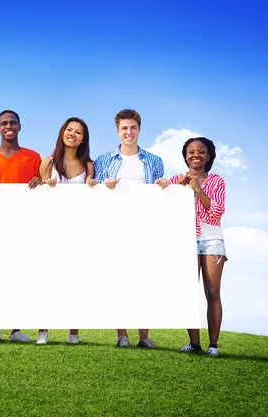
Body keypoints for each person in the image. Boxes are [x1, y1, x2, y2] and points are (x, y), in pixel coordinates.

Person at [94, 109, 164, 349]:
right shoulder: (103, 160)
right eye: (124, 128)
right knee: (119, 280)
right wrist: (105, 186)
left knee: (145, 280)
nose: (129, 132)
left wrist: (163, 185)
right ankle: (122, 335)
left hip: (144, 228)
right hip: (115, 227)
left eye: (133, 127)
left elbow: (160, 195)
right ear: (117, 131)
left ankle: (144, 336)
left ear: (139, 130)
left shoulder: (154, 161)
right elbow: (96, 192)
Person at [156, 137, 226, 356]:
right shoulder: (177, 179)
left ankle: (212, 345)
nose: (196, 155)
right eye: (191, 151)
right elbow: (162, 203)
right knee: (189, 291)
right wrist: (164, 186)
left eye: (201, 152)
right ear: (185, 155)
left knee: (212, 292)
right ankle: (194, 343)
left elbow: (217, 212)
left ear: (208, 156)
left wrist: (197, 188)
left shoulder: (216, 181)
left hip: (211, 238)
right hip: (185, 239)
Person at [0, 109, 42, 343]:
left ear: (20, 126)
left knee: (19, 275)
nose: (8, 126)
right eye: (3, 123)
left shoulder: (34, 157)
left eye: (12, 122)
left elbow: (43, 187)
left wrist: (40, 182)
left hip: (24, 224)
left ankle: (16, 329)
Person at [36, 117, 97, 345]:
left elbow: (91, 197)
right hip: (51, 228)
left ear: (83, 139)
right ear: (62, 132)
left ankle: (74, 332)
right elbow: (40, 196)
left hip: (78, 229)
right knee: (47, 279)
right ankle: (43, 330)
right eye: (69, 130)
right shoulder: (48, 162)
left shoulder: (88, 165)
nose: (73, 134)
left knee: (76, 280)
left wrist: (92, 185)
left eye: (78, 132)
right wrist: (46, 185)